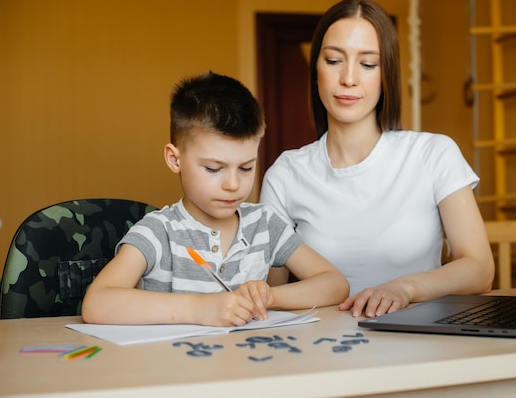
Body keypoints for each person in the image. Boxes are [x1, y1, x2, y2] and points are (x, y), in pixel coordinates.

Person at [260, 0, 495, 319]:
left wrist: (404, 289)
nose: (348, 78)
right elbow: (269, 294)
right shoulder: (285, 174)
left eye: (368, 64)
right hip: (323, 351)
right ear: (315, 69)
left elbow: (480, 269)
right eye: (333, 60)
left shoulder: (433, 153)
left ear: (386, 75)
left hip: (421, 342)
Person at [82, 72, 349, 327]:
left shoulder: (264, 224)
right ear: (175, 159)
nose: (233, 185)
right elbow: (97, 302)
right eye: (213, 169)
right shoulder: (159, 231)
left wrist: (271, 296)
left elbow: (335, 284)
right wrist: (199, 309)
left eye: (246, 168)